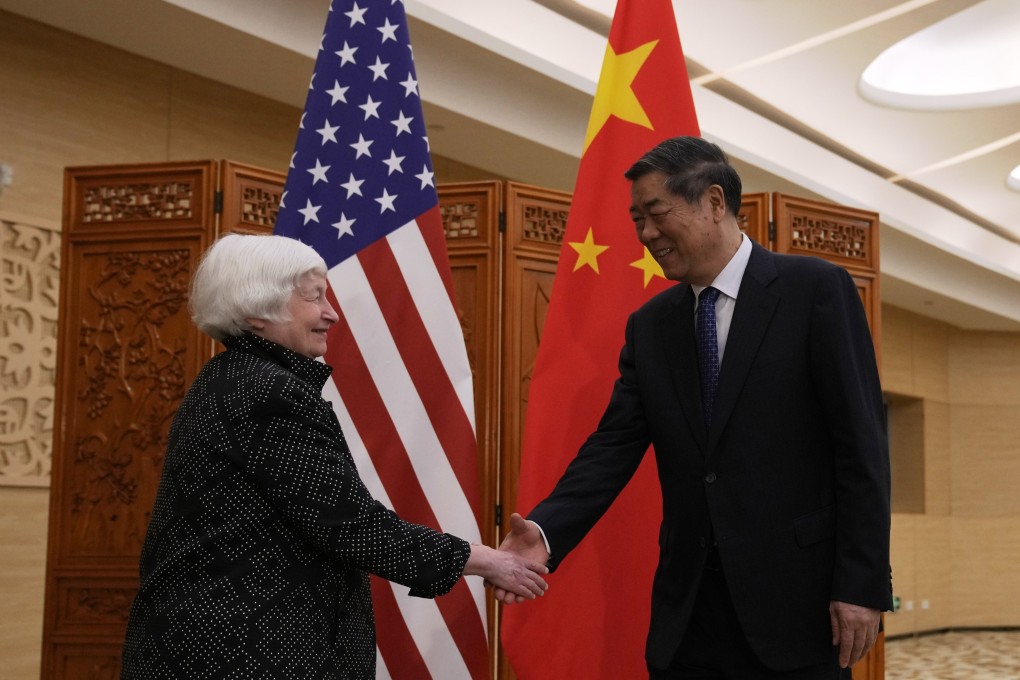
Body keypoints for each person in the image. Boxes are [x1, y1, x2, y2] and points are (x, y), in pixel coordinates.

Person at [498, 136, 891, 679]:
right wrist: (544, 532)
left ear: (713, 202)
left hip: (796, 607)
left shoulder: (815, 291)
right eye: (637, 220)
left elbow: (862, 448)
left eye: (656, 213)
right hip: (690, 617)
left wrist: (861, 583)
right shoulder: (651, 326)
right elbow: (612, 447)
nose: (646, 234)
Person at [120, 233, 548, 679]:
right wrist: (485, 559)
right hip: (243, 655)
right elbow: (351, 525)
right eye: (314, 298)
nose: (332, 313)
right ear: (255, 310)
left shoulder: (229, 378)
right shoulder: (268, 391)